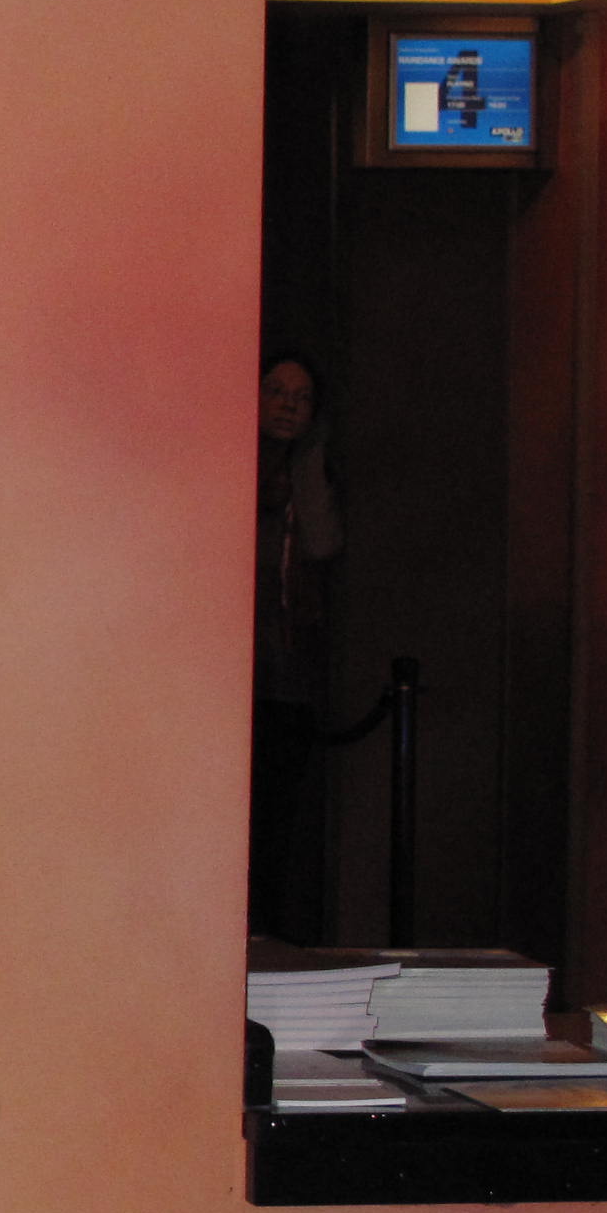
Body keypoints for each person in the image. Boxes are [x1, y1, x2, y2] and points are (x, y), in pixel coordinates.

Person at [247, 352, 342, 942]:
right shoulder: (228, 459)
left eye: (301, 397)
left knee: (278, 824)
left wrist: (308, 462)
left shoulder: (311, 469)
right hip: (232, 672)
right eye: (277, 391)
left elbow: (325, 543)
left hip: (285, 676)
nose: (288, 405)